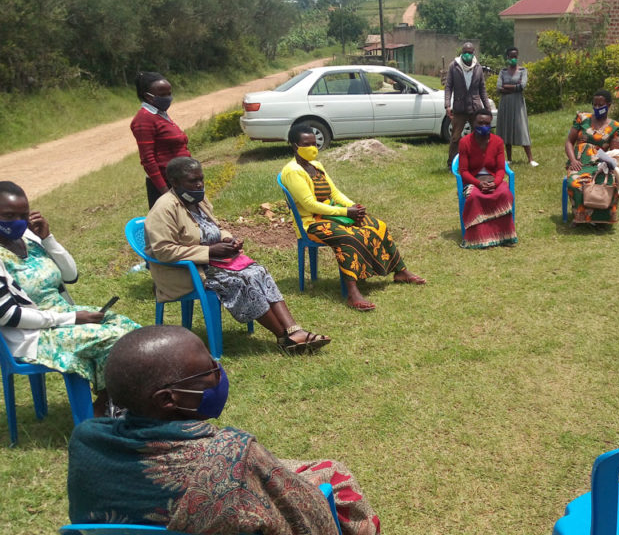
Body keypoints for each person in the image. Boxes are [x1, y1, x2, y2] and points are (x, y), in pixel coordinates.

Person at [67, 325, 381, 535]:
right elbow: (309, 516)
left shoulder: (86, 439)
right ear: (167, 400)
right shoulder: (233, 454)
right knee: (334, 474)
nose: (219, 374)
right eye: (209, 371)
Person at [145, 157, 329, 353]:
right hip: (187, 272)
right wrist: (208, 251)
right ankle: (283, 337)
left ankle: (294, 330)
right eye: (192, 181)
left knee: (258, 271)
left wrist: (227, 239)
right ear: (174, 182)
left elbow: (216, 227)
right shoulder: (164, 209)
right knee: (241, 280)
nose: (199, 184)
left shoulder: (198, 199)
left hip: (214, 263)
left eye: (201, 179)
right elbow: (164, 251)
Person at [0, 181, 139, 416]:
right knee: (111, 337)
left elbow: (70, 275)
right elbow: (9, 315)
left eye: (23, 215)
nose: (17, 222)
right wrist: (71, 318)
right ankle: (108, 407)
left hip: (61, 317)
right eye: (8, 216)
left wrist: (47, 238)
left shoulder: (29, 238)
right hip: (31, 335)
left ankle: (114, 401)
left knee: (128, 327)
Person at [280, 125, 425, 311]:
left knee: (377, 225)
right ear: (295, 146)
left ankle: (400, 271)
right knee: (348, 237)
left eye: (314, 143)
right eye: (306, 144)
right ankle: (352, 292)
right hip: (312, 223)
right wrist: (345, 213)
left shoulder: (316, 165)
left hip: (331, 214)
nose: (313, 148)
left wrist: (353, 206)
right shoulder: (292, 171)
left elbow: (334, 192)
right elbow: (310, 205)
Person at [564, 89, 619, 226]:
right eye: (595, 105)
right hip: (579, 163)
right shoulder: (582, 118)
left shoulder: (616, 127)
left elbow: (615, 152)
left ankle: (601, 219)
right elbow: (569, 142)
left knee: (609, 184)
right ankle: (579, 217)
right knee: (575, 184)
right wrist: (573, 160)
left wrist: (609, 164)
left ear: (609, 105)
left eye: (601, 105)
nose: (597, 108)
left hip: (600, 164)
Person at [131, 72, 193, 208]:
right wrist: (165, 193)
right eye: (163, 95)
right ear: (148, 96)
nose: (168, 98)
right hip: (167, 185)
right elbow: (148, 160)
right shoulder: (144, 119)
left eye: (169, 93)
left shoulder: (161, 115)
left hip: (182, 180)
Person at [457, 110, 518, 248]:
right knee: (474, 197)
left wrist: (495, 183)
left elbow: (501, 169)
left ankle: (503, 236)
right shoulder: (464, 142)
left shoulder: (497, 142)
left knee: (505, 194)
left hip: (493, 179)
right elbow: (464, 171)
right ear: (473, 123)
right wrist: (478, 184)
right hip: (473, 180)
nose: (483, 126)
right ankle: (478, 238)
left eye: (487, 123)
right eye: (480, 123)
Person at [444, 42, 488, 168]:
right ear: (461, 53)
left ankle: (477, 162)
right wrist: (447, 105)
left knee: (479, 136)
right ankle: (452, 163)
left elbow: (482, 89)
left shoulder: (477, 67)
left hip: (475, 108)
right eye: (465, 52)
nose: (467, 55)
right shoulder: (454, 66)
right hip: (459, 107)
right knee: (456, 138)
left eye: (470, 52)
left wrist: (487, 108)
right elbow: (448, 87)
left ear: (473, 53)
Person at [495, 47, 536, 166]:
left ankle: (530, 159)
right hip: (505, 104)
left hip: (518, 104)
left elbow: (522, 86)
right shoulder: (503, 72)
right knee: (506, 128)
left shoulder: (523, 71)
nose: (513, 59)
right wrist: (514, 87)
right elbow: (498, 88)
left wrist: (506, 87)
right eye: (511, 56)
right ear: (507, 57)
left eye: (515, 57)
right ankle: (509, 158)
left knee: (521, 128)